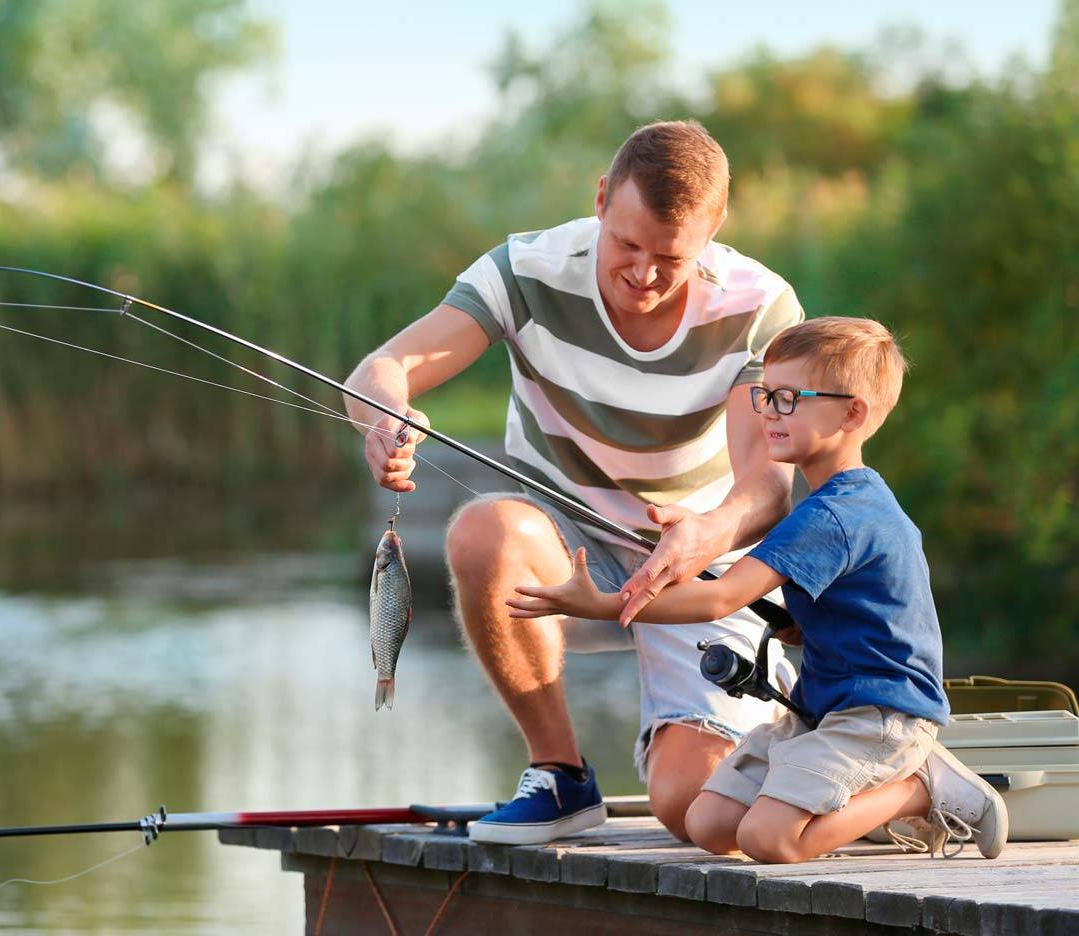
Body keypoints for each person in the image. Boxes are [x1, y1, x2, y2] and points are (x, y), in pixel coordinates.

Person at [345, 120, 805, 844]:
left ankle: (812, 758)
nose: (644, 274)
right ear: (600, 200)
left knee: (695, 812)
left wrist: (704, 534)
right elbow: (385, 366)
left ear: (713, 230)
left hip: (696, 564)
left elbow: (767, 488)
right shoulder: (526, 270)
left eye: (670, 258)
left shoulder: (758, 306)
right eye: (627, 245)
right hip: (559, 548)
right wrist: (382, 416)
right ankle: (559, 775)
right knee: (484, 530)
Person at [509, 317, 1008, 861]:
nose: (769, 411)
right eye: (766, 396)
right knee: (709, 823)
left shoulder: (835, 514)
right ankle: (881, 787)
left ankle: (921, 788)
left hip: (881, 714)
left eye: (790, 398)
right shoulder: (838, 504)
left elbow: (721, 598)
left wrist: (603, 604)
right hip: (822, 709)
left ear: (853, 413)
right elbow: (861, 607)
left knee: (768, 841)